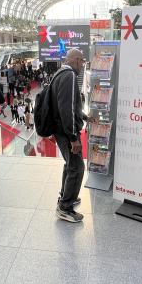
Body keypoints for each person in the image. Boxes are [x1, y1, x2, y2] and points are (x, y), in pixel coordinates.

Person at [51, 49, 96, 223]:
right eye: (82, 61)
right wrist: (73, 138)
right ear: (76, 60)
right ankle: (65, 207)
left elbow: (69, 105)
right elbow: (65, 109)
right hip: (66, 131)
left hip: (60, 129)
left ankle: (65, 196)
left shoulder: (60, 73)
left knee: (70, 164)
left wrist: (84, 117)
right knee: (77, 168)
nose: (83, 65)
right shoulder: (69, 76)